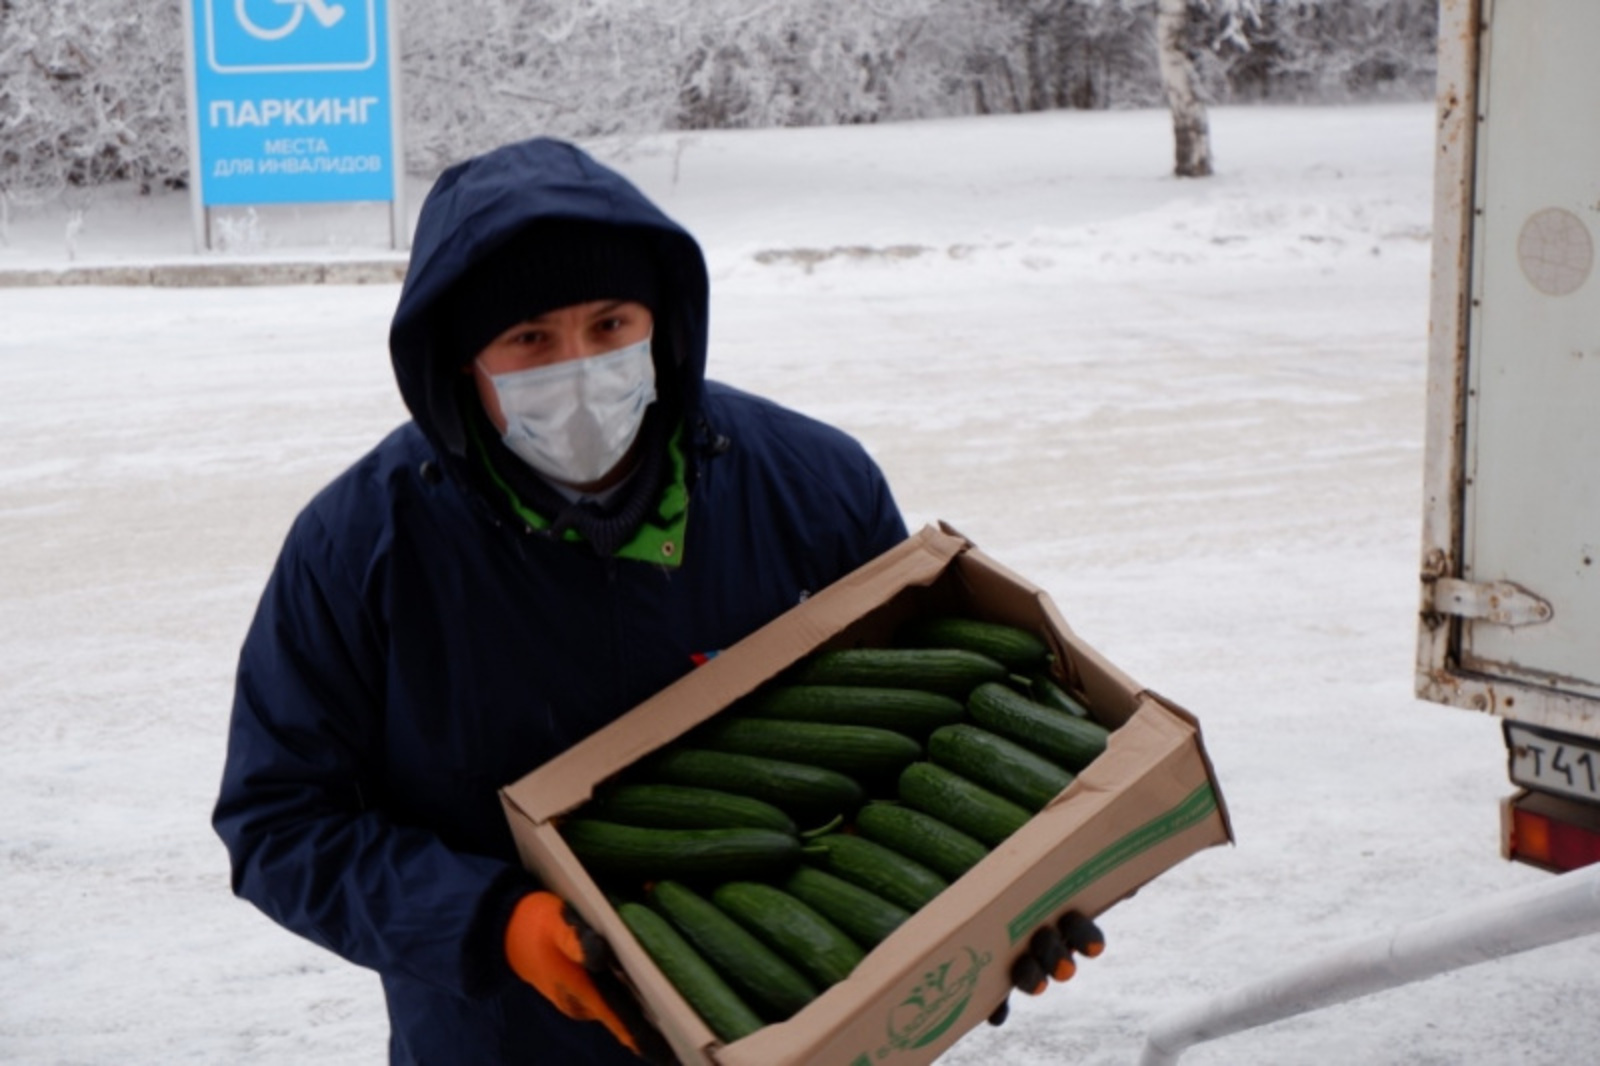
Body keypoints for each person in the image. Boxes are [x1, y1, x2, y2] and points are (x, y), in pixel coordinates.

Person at [213, 137, 1096, 1066]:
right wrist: (488, 921)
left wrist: (999, 912)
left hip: (806, 1020)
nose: (580, 365)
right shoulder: (361, 547)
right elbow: (280, 822)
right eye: (529, 339)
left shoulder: (814, 487)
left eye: (609, 324)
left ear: (662, 323)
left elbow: (922, 735)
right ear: (462, 357)